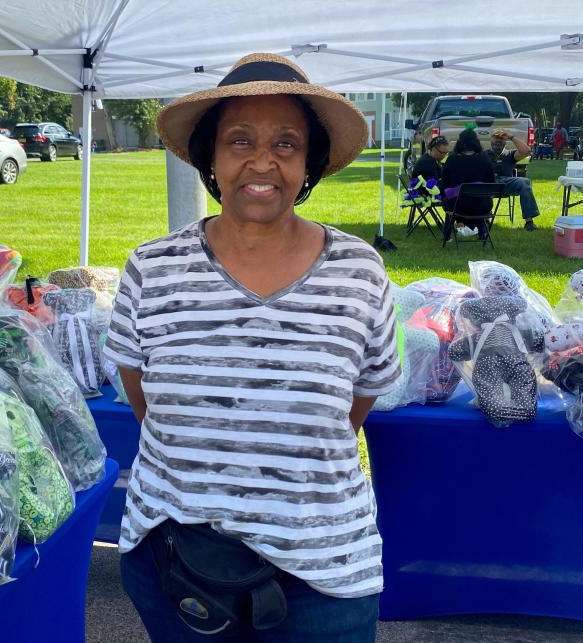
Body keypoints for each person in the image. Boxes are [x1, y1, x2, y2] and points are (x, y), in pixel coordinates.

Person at [104, 53, 399, 643]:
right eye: (240, 140)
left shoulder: (360, 273)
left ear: (310, 161)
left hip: (324, 575)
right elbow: (147, 403)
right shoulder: (152, 269)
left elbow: (355, 406)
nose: (262, 161)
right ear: (211, 157)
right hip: (177, 563)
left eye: (286, 143)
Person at [441, 128, 496, 239]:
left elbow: (445, 183)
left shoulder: (452, 159)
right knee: (476, 198)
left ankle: (447, 234)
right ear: (476, 142)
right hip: (482, 205)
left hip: (457, 206)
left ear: (459, 142)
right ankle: (483, 232)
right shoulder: (484, 159)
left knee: (450, 201)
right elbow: (491, 183)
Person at [485, 128, 539, 230]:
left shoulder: (510, 154)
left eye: (501, 138)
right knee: (484, 183)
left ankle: (529, 222)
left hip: (507, 183)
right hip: (489, 183)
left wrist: (511, 137)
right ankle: (485, 219)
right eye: (495, 137)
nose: (498, 140)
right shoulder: (484, 154)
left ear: (505, 141)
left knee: (524, 182)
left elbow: (527, 151)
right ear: (491, 140)